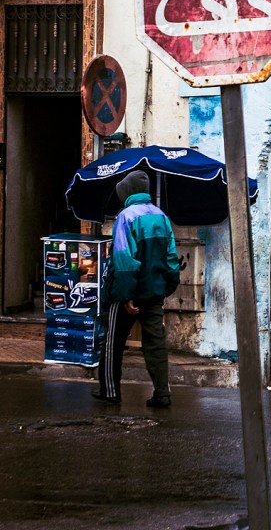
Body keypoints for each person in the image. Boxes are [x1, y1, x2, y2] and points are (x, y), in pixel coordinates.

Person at [93, 170, 180, 407]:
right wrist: (166, 287)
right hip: (154, 292)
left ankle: (110, 391)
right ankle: (162, 394)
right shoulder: (161, 217)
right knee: (156, 344)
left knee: (114, 341)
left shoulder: (126, 216)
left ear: (128, 192)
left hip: (128, 294)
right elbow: (172, 258)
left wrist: (126, 295)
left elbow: (123, 259)